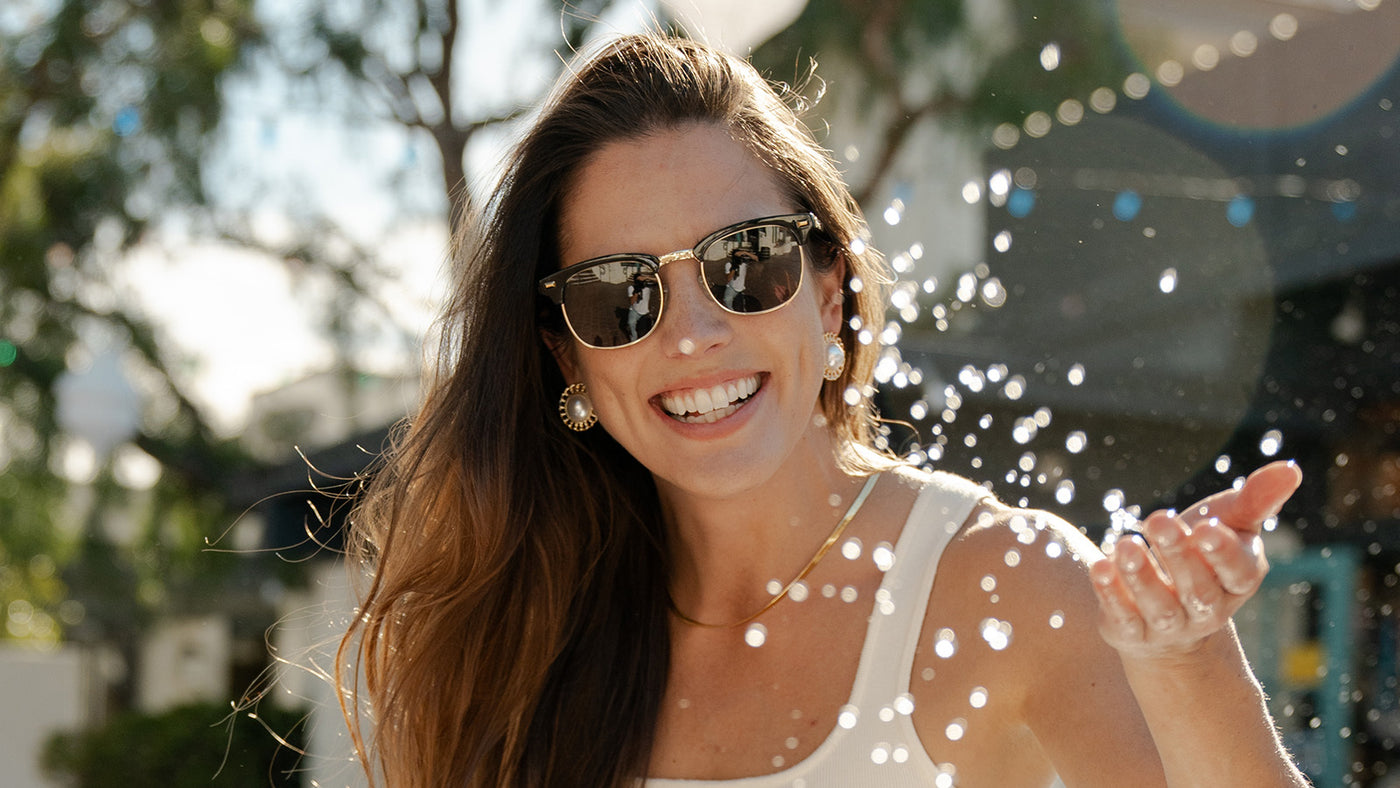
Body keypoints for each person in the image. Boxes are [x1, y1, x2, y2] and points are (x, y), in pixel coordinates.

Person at [337, 34, 1310, 787]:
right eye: (619, 294)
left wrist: (1186, 659)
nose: (693, 334)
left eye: (744, 260)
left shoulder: (1001, 581)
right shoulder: (529, 632)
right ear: (568, 355)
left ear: (828, 290)